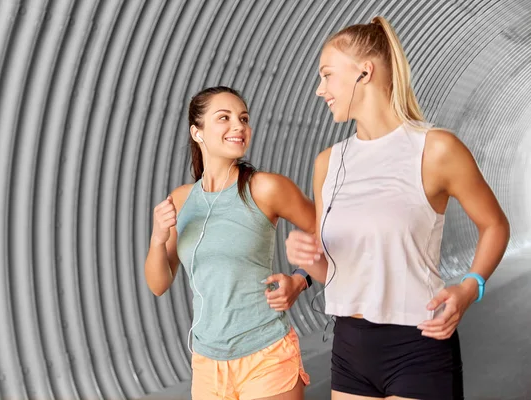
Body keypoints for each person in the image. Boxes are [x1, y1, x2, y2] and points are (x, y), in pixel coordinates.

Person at [284, 16, 510, 400]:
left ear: (364, 72)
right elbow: (337, 271)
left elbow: (495, 225)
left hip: (418, 343)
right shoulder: (328, 163)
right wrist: (307, 260)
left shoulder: (435, 149)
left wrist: (470, 288)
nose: (320, 90)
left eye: (327, 75)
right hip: (350, 348)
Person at [144, 86, 315, 399]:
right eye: (224, 118)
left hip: (266, 353)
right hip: (208, 363)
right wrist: (158, 238)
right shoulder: (182, 200)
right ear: (198, 133)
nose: (239, 126)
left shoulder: (266, 188)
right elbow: (158, 284)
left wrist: (300, 280)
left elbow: (331, 233)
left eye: (243, 118)